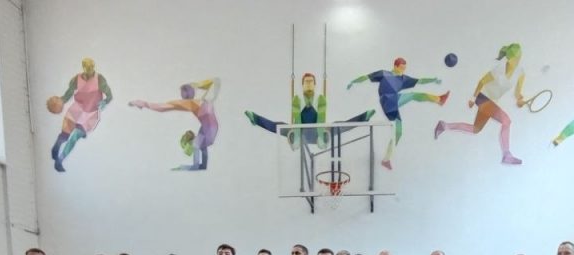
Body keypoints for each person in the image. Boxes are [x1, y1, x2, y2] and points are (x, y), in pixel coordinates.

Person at [347, 57, 448, 169]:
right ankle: (439, 99)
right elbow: (366, 77)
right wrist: (353, 81)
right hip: (387, 101)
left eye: (404, 68)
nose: (402, 71)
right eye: (401, 68)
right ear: (395, 66)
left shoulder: (403, 79)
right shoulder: (384, 74)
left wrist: (433, 80)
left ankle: (386, 159)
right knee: (413, 95)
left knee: (398, 132)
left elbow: (420, 81)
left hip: (393, 102)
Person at [434, 43, 525, 164]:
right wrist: (473, 98)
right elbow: (482, 81)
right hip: (483, 98)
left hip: (492, 102)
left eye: (519, 58)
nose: (517, 61)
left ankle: (444, 126)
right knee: (506, 121)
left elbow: (517, 94)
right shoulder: (499, 69)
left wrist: (519, 100)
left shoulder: (520, 72)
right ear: (509, 58)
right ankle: (506, 154)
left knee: (475, 129)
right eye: (514, 59)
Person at [245, 72, 374, 148]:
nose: (308, 84)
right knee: (279, 126)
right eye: (306, 82)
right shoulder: (297, 99)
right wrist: (296, 138)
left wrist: (321, 138)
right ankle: (255, 118)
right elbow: (297, 120)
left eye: (311, 81)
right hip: (300, 132)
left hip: (318, 132)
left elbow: (321, 119)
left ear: (315, 84)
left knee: (338, 125)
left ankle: (363, 117)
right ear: (302, 85)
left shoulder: (320, 98)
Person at [129, 78, 220, 171]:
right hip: (209, 127)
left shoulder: (192, 103)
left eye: (182, 93)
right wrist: (197, 85)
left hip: (209, 129)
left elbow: (164, 107)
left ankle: (195, 166)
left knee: (196, 144)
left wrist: (144, 104)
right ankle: (202, 166)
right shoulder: (205, 100)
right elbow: (215, 81)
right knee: (199, 144)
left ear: (185, 93)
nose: (181, 95)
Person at [49, 57, 113, 172]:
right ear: (83, 67)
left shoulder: (99, 79)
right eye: (87, 67)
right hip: (77, 109)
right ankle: (56, 148)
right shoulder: (77, 79)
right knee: (66, 134)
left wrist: (104, 101)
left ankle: (60, 159)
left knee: (74, 136)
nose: (89, 69)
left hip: (90, 113)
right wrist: (60, 101)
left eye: (91, 67)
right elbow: (68, 94)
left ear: (93, 67)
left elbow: (109, 96)